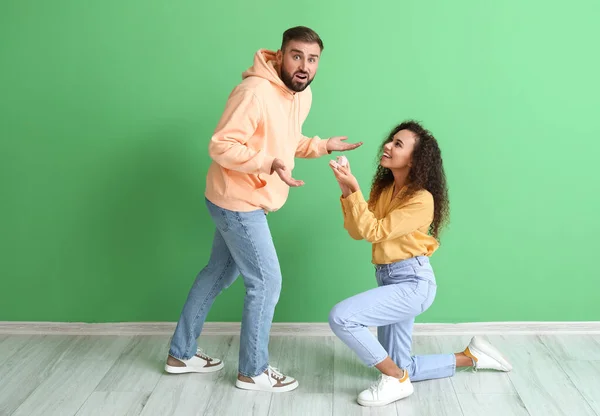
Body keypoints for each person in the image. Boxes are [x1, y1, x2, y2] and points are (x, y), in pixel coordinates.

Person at [164, 26, 362, 393]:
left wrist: (322, 145)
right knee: (266, 281)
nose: (304, 65)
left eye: (312, 59)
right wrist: (268, 163)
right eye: (296, 55)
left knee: (218, 274)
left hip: (239, 198)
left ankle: (180, 354)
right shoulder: (253, 92)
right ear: (280, 54)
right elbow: (221, 145)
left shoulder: (299, 95)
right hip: (238, 200)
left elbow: (286, 140)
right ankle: (253, 372)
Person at [328, 120, 512, 407]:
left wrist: (353, 190)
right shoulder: (384, 189)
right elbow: (358, 231)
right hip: (388, 279)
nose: (387, 145)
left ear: (414, 160)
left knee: (342, 317)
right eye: (391, 139)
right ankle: (470, 357)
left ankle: (396, 381)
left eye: (398, 144)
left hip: (413, 283)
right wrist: (348, 192)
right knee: (401, 364)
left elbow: (375, 231)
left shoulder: (421, 200)